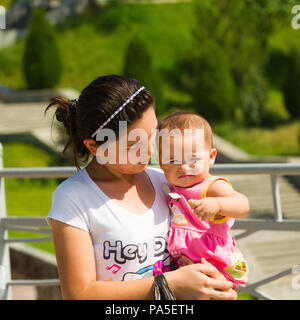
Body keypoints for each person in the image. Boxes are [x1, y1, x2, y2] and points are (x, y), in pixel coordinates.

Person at [45, 74, 237, 300]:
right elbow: (79, 294)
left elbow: (208, 243)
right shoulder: (73, 198)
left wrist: (217, 282)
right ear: (94, 146)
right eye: (133, 144)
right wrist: (169, 284)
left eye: (152, 134)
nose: (149, 151)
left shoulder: (166, 181)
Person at [157, 111, 249, 289]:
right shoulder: (171, 187)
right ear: (161, 163)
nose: (183, 167)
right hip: (183, 266)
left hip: (214, 262)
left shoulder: (210, 186)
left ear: (211, 157)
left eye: (193, 159)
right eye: (173, 160)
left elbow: (243, 204)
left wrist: (217, 204)